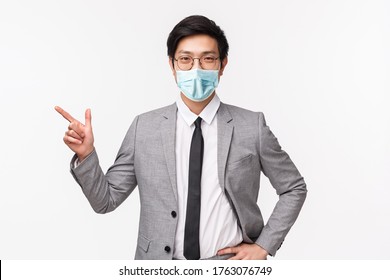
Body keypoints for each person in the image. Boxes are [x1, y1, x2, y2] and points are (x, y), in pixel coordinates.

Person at [55, 15, 307, 260]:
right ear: (172, 65)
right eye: (185, 59)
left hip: (229, 267)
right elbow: (105, 201)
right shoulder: (144, 127)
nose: (196, 68)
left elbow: (293, 187)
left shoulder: (252, 126)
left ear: (222, 64)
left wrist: (264, 245)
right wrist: (86, 155)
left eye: (208, 59)